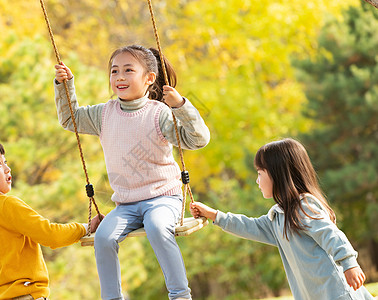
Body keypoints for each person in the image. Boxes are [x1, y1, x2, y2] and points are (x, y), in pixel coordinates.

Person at [54, 44, 210, 300]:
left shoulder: (159, 113)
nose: (120, 77)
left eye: (128, 70)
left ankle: (180, 295)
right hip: (126, 204)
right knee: (104, 237)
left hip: (163, 198)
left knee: (158, 228)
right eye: (114, 71)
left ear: (149, 78)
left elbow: (197, 139)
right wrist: (64, 85)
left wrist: (181, 105)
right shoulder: (103, 114)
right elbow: (70, 119)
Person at [189, 138, 374, 300]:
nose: (257, 180)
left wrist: (349, 263)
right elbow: (248, 226)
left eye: (260, 173)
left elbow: (331, 234)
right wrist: (213, 214)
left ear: (279, 175)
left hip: (337, 293)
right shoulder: (278, 218)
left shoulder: (303, 206)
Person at [0, 136, 102, 300]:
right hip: (27, 295)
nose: (7, 169)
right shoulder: (6, 204)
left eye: (5, 161)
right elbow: (51, 235)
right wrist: (86, 227)